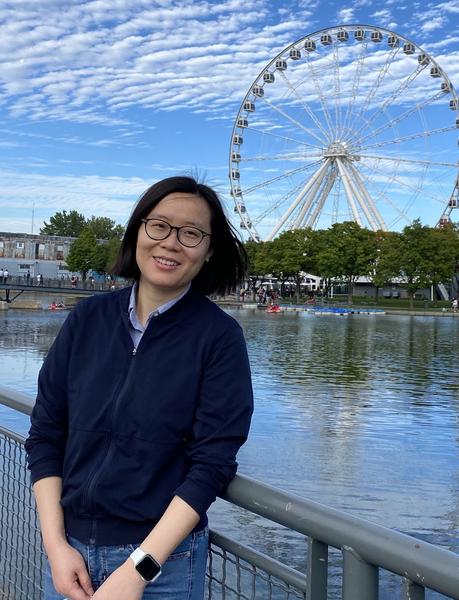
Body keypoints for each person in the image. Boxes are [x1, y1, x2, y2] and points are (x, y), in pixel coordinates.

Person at [25, 176, 254, 600]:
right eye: (159, 226)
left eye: (191, 234)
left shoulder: (220, 339)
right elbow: (46, 434)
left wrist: (138, 571)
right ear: (137, 232)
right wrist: (55, 547)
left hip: (163, 567)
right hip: (69, 555)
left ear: (208, 251)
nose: (171, 243)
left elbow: (212, 464)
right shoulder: (86, 319)